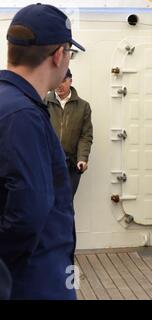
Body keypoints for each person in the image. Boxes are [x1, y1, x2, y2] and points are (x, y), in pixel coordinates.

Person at [0, 4, 85, 299]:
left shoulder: (7, 103)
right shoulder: (24, 115)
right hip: (33, 281)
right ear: (59, 55)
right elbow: (27, 212)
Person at [46, 68, 93, 198]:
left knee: (65, 203)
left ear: (70, 81)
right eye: (56, 81)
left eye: (63, 81)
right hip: (47, 163)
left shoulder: (83, 106)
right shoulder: (43, 103)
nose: (59, 85)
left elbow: (85, 136)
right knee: (46, 203)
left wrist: (82, 159)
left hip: (70, 165)